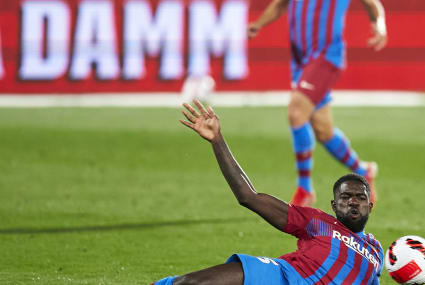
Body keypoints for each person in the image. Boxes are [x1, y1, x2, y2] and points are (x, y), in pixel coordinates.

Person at [153, 99, 383, 285]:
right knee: (191, 283)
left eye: (360, 198)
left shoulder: (376, 251)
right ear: (334, 205)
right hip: (280, 276)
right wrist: (217, 140)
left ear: (370, 205)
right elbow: (249, 196)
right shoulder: (318, 222)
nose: (353, 202)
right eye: (345, 197)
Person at [247, 0, 388, 207]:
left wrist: (379, 24)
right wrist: (260, 23)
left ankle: (304, 189)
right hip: (300, 60)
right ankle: (364, 170)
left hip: (328, 58)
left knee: (296, 111)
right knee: (323, 130)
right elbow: (281, 0)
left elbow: (372, 3)